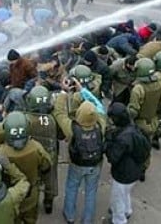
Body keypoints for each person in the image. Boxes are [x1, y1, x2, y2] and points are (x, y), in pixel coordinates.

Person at [52, 83, 107, 224]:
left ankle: (69, 215)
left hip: (77, 163)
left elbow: (59, 112)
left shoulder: (71, 128)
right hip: (96, 163)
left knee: (72, 186)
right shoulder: (101, 123)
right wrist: (83, 90)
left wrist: (64, 93)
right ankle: (87, 220)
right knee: (91, 192)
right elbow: (97, 102)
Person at [0, 111, 52, 224]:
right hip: (31, 195)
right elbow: (46, 166)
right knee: (31, 219)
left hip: (11, 196)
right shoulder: (36, 147)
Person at [129, 57, 161, 168]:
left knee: (144, 144)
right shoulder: (158, 84)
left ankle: (143, 167)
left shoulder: (138, 89)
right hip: (155, 116)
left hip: (142, 121)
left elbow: (133, 110)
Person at [105, 102, 150, 224]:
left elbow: (113, 157)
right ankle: (127, 210)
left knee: (117, 199)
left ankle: (119, 220)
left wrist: (108, 141)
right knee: (125, 193)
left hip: (123, 174)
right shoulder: (133, 128)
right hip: (135, 170)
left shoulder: (123, 138)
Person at [23, 85, 59, 214]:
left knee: (33, 180)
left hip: (32, 155)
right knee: (50, 180)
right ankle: (48, 203)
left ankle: (33, 204)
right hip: (50, 155)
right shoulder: (53, 118)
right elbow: (61, 135)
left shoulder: (26, 119)